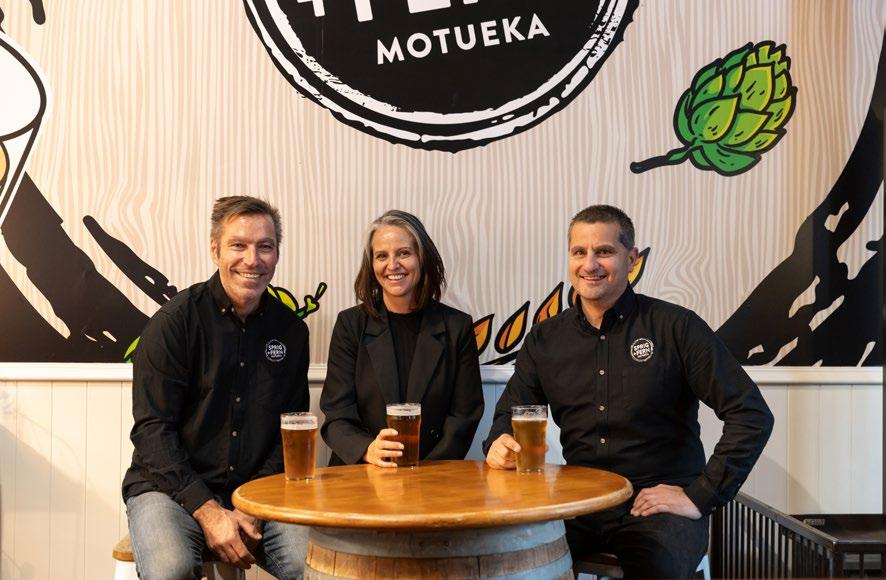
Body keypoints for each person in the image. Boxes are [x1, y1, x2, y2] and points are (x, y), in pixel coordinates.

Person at [484, 205, 774, 578]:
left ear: (631, 259)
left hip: (659, 507)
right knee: (511, 559)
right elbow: (510, 414)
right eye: (579, 252)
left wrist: (700, 495)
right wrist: (498, 442)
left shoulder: (677, 327)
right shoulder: (545, 338)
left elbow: (751, 414)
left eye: (604, 251)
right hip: (580, 504)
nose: (590, 264)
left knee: (655, 567)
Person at [122, 196, 310, 579]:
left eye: (265, 246)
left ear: (277, 254)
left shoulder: (291, 331)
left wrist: (251, 505)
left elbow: (288, 434)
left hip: (257, 492)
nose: (252, 260)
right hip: (169, 490)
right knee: (171, 570)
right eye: (238, 245)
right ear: (215, 250)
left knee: (315, 565)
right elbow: (152, 432)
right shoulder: (174, 322)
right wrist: (208, 511)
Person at [321, 210, 483, 467]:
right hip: (360, 471)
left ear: (422, 257)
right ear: (371, 265)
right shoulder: (350, 325)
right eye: (381, 256)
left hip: (432, 473)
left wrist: (424, 473)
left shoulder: (457, 327)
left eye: (404, 253)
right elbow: (336, 414)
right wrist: (367, 449)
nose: (392, 265)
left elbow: (464, 417)